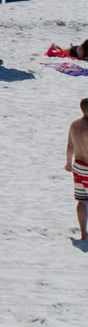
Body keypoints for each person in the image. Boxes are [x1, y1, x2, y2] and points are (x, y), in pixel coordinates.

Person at [68, 99, 88, 241]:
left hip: (79, 167)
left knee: (81, 201)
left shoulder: (74, 125)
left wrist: (68, 163)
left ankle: (83, 233)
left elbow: (70, 146)